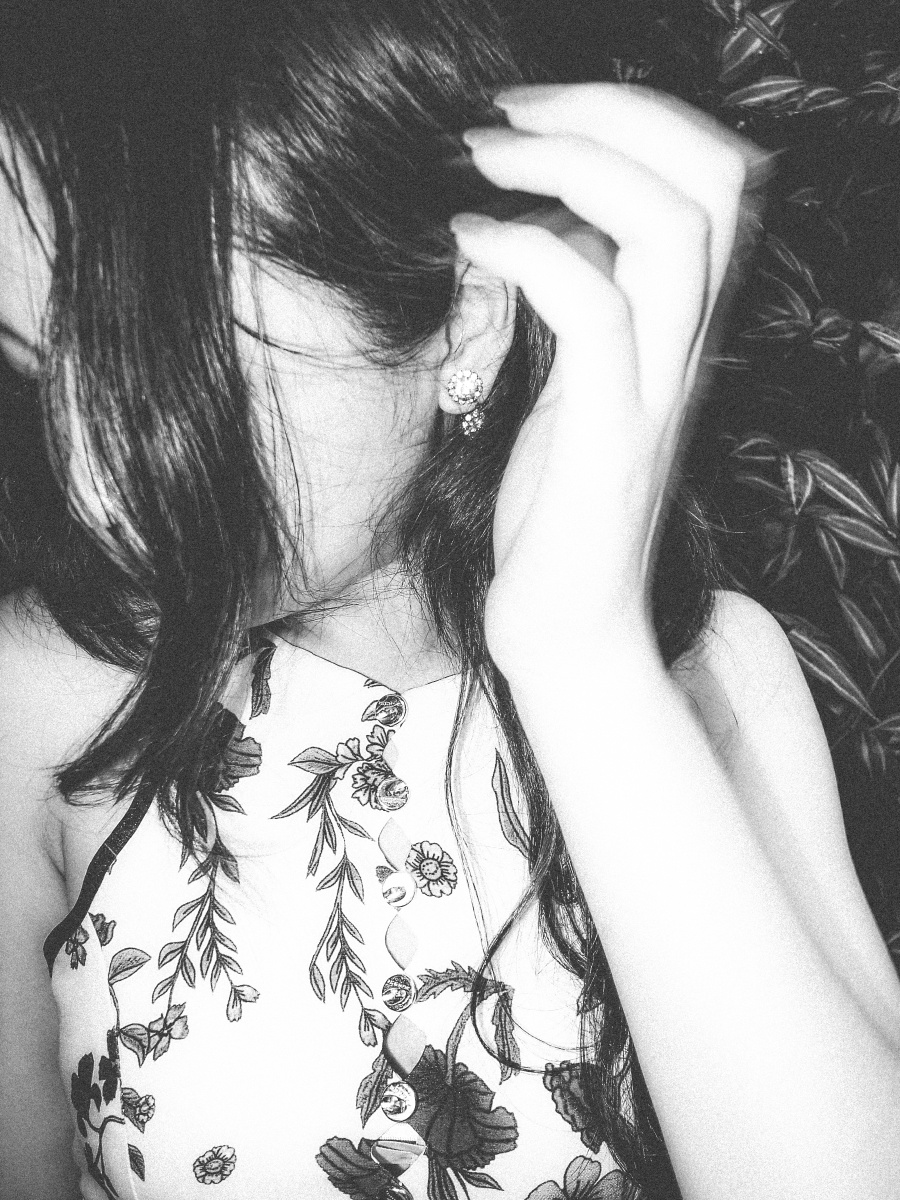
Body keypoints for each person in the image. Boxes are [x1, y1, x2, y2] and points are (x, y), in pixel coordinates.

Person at [1, 3, 899, 1199]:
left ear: (464, 322)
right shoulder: (44, 700)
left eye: (158, 374)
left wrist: (580, 659)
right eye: (42, 365)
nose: (87, 476)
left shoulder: (715, 676)